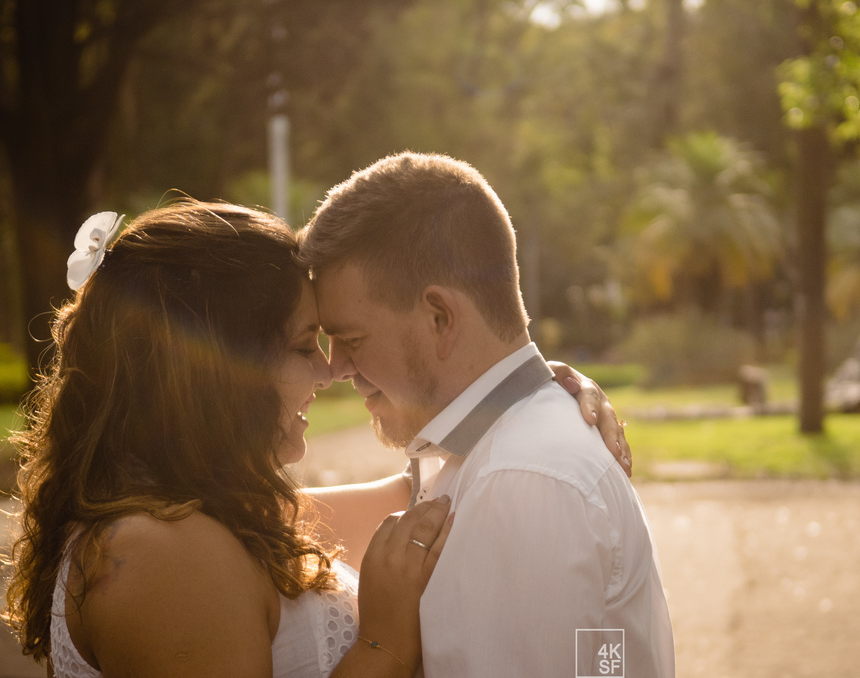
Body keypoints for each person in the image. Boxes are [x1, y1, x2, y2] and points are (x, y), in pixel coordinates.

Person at [3, 201, 626, 677]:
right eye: (305, 346)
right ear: (217, 371)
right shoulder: (159, 553)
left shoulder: (198, 520)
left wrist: (526, 395)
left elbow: (420, 497)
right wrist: (381, 645)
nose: (330, 371)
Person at [299, 152, 675, 678]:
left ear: (440, 317)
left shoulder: (521, 480)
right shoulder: (497, 453)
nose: (336, 368)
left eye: (351, 338)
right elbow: (602, 658)